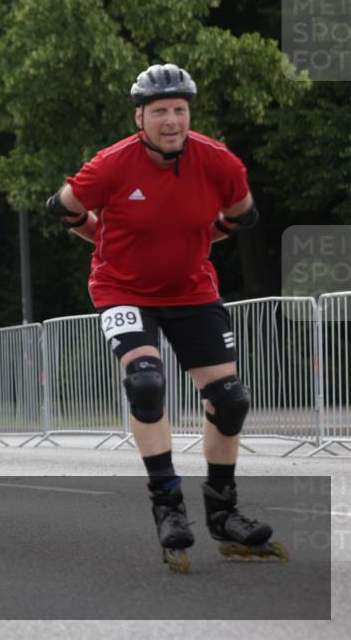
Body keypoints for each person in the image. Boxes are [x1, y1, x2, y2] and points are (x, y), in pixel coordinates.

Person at [46, 64, 286, 573]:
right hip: (122, 290)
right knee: (146, 383)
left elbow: (243, 216)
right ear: (141, 117)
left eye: (180, 110)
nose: (172, 120)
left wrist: (201, 241)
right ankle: (168, 505)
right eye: (160, 111)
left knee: (231, 398)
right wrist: (102, 238)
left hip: (192, 290)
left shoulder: (219, 162)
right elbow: (63, 208)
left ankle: (223, 512)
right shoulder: (111, 165)